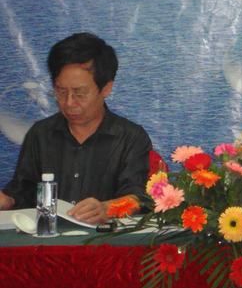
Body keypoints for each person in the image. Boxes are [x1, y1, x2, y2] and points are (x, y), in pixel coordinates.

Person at [0, 32, 152, 224]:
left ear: (106, 88)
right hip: (48, 238)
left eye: (80, 93)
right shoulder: (40, 134)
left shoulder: (130, 137)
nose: (69, 103)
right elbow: (24, 190)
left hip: (104, 238)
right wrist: (8, 200)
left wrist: (107, 208)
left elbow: (139, 199)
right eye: (61, 92)